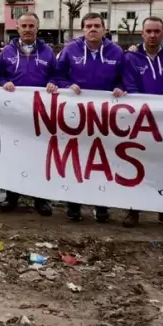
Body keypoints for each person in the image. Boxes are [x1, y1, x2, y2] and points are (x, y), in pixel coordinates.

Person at [51, 12, 125, 223]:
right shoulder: (70, 50)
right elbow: (58, 76)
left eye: (96, 26)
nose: (92, 29)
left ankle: (101, 206)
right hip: (76, 116)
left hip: (105, 117)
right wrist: (67, 85)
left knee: (103, 162)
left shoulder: (116, 52)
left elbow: (125, 79)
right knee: (77, 160)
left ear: (104, 29)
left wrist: (120, 88)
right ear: (82, 30)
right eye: (88, 26)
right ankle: (74, 205)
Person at [120, 16, 163, 229]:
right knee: (136, 166)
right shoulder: (130, 57)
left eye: (156, 31)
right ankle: (133, 210)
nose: (152, 35)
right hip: (138, 121)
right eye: (148, 31)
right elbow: (129, 86)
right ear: (142, 33)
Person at [0, 12, 57, 216]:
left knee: (39, 157)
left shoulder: (48, 51)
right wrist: (5, 82)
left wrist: (53, 82)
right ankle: (11, 197)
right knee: (13, 156)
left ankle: (41, 199)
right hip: (14, 114)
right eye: (24, 26)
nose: (28, 29)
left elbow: (57, 75)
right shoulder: (6, 52)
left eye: (32, 26)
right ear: (18, 29)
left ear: (37, 28)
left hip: (40, 114)